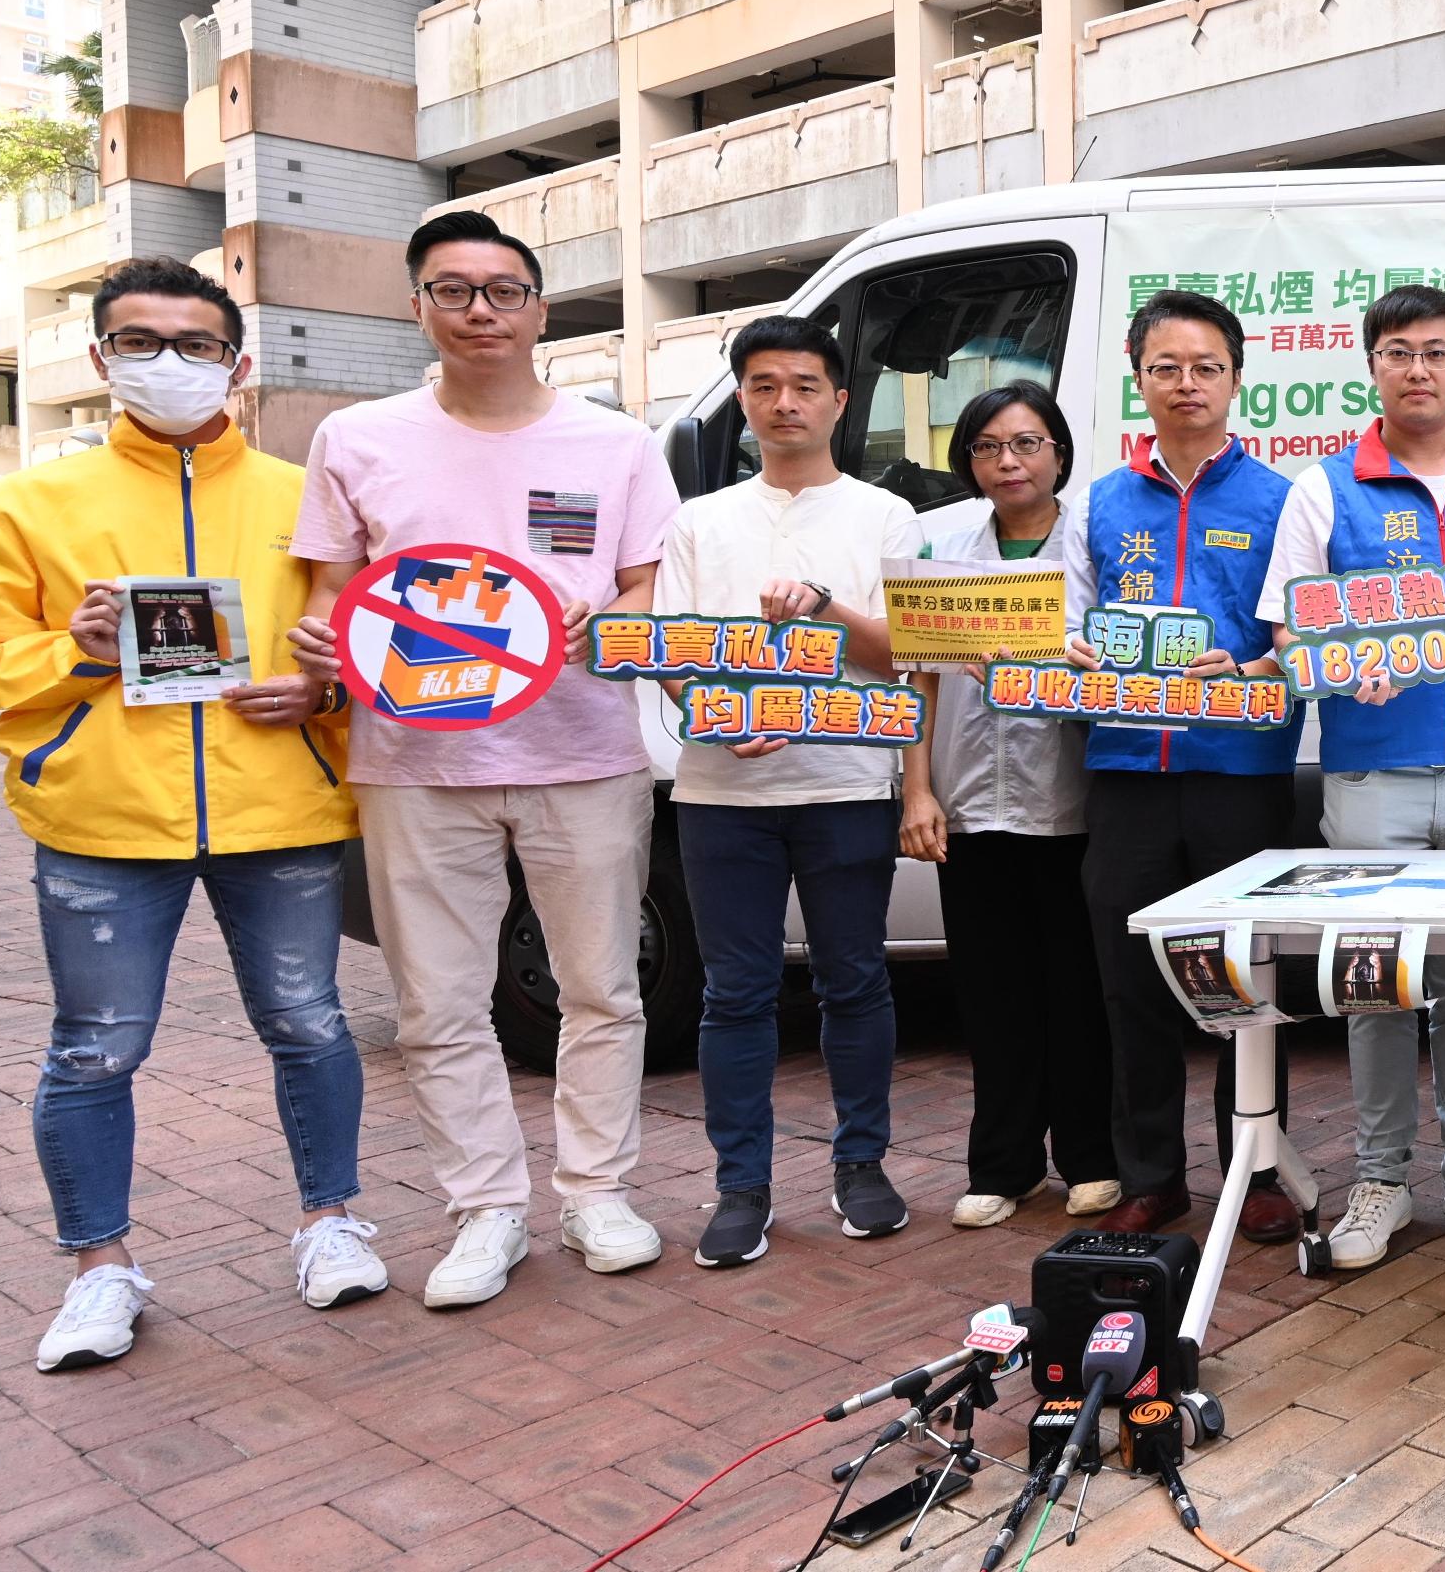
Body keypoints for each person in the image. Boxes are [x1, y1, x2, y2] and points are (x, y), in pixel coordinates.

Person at [0, 259, 379, 1371]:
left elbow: (375, 652)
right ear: (99, 359)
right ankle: (100, 1268)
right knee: (93, 1052)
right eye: (140, 343)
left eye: (193, 343)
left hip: (284, 813)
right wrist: (67, 652)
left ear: (238, 362)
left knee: (312, 1025)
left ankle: (331, 1223)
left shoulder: (306, 501)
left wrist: (321, 690)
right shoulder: (24, 506)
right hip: (102, 826)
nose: (169, 364)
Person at [285, 209, 676, 1308]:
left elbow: (649, 585)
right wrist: (321, 645)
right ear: (418, 306)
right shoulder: (358, 438)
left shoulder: (617, 442)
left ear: (540, 310)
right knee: (437, 1004)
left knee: (600, 987)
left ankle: (597, 1189)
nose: (480, 311)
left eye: (503, 291)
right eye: (453, 291)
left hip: (585, 750)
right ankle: (487, 1209)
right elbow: (328, 597)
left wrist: (608, 620)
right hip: (412, 762)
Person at [1257, 283, 1445, 1271]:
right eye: (1397, 351)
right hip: (1370, 773)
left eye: (1435, 350)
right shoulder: (1325, 487)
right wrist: (1336, 656)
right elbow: (1287, 625)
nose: (1416, 368)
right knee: (1375, 978)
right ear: (1370, 365)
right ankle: (1380, 1177)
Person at [654, 314, 926, 1267]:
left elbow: (907, 653)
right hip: (722, 793)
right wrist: (718, 714)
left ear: (840, 401)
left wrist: (822, 605)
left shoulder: (884, 515)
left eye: (806, 385)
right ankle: (742, 1184)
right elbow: (673, 655)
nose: (785, 403)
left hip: (848, 782)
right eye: (765, 385)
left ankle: (863, 1165)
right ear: (741, 400)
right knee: (735, 992)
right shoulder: (699, 520)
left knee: (855, 981)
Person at [1074, 289, 1306, 1244]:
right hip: (1126, 767)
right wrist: (1075, 653)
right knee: (1131, 980)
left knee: (1245, 975)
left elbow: (1308, 633)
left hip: (1239, 770)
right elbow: (1068, 625)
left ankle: (1252, 1166)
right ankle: (1152, 1175)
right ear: (1139, 380)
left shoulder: (1283, 498)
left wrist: (1253, 666)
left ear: (1236, 379)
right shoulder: (1100, 500)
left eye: (1206, 366)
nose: (1186, 384)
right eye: (1165, 367)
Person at [900, 381, 1120, 1230]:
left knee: (1078, 984)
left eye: (1027, 443)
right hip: (968, 798)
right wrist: (917, 788)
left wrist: (1086, 662)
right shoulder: (942, 539)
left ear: (1059, 451)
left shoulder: (1096, 542)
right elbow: (916, 670)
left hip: (1069, 799)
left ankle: (1090, 1159)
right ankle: (1005, 1162)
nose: (1008, 461)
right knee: (991, 992)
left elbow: (1126, 656)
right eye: (989, 446)